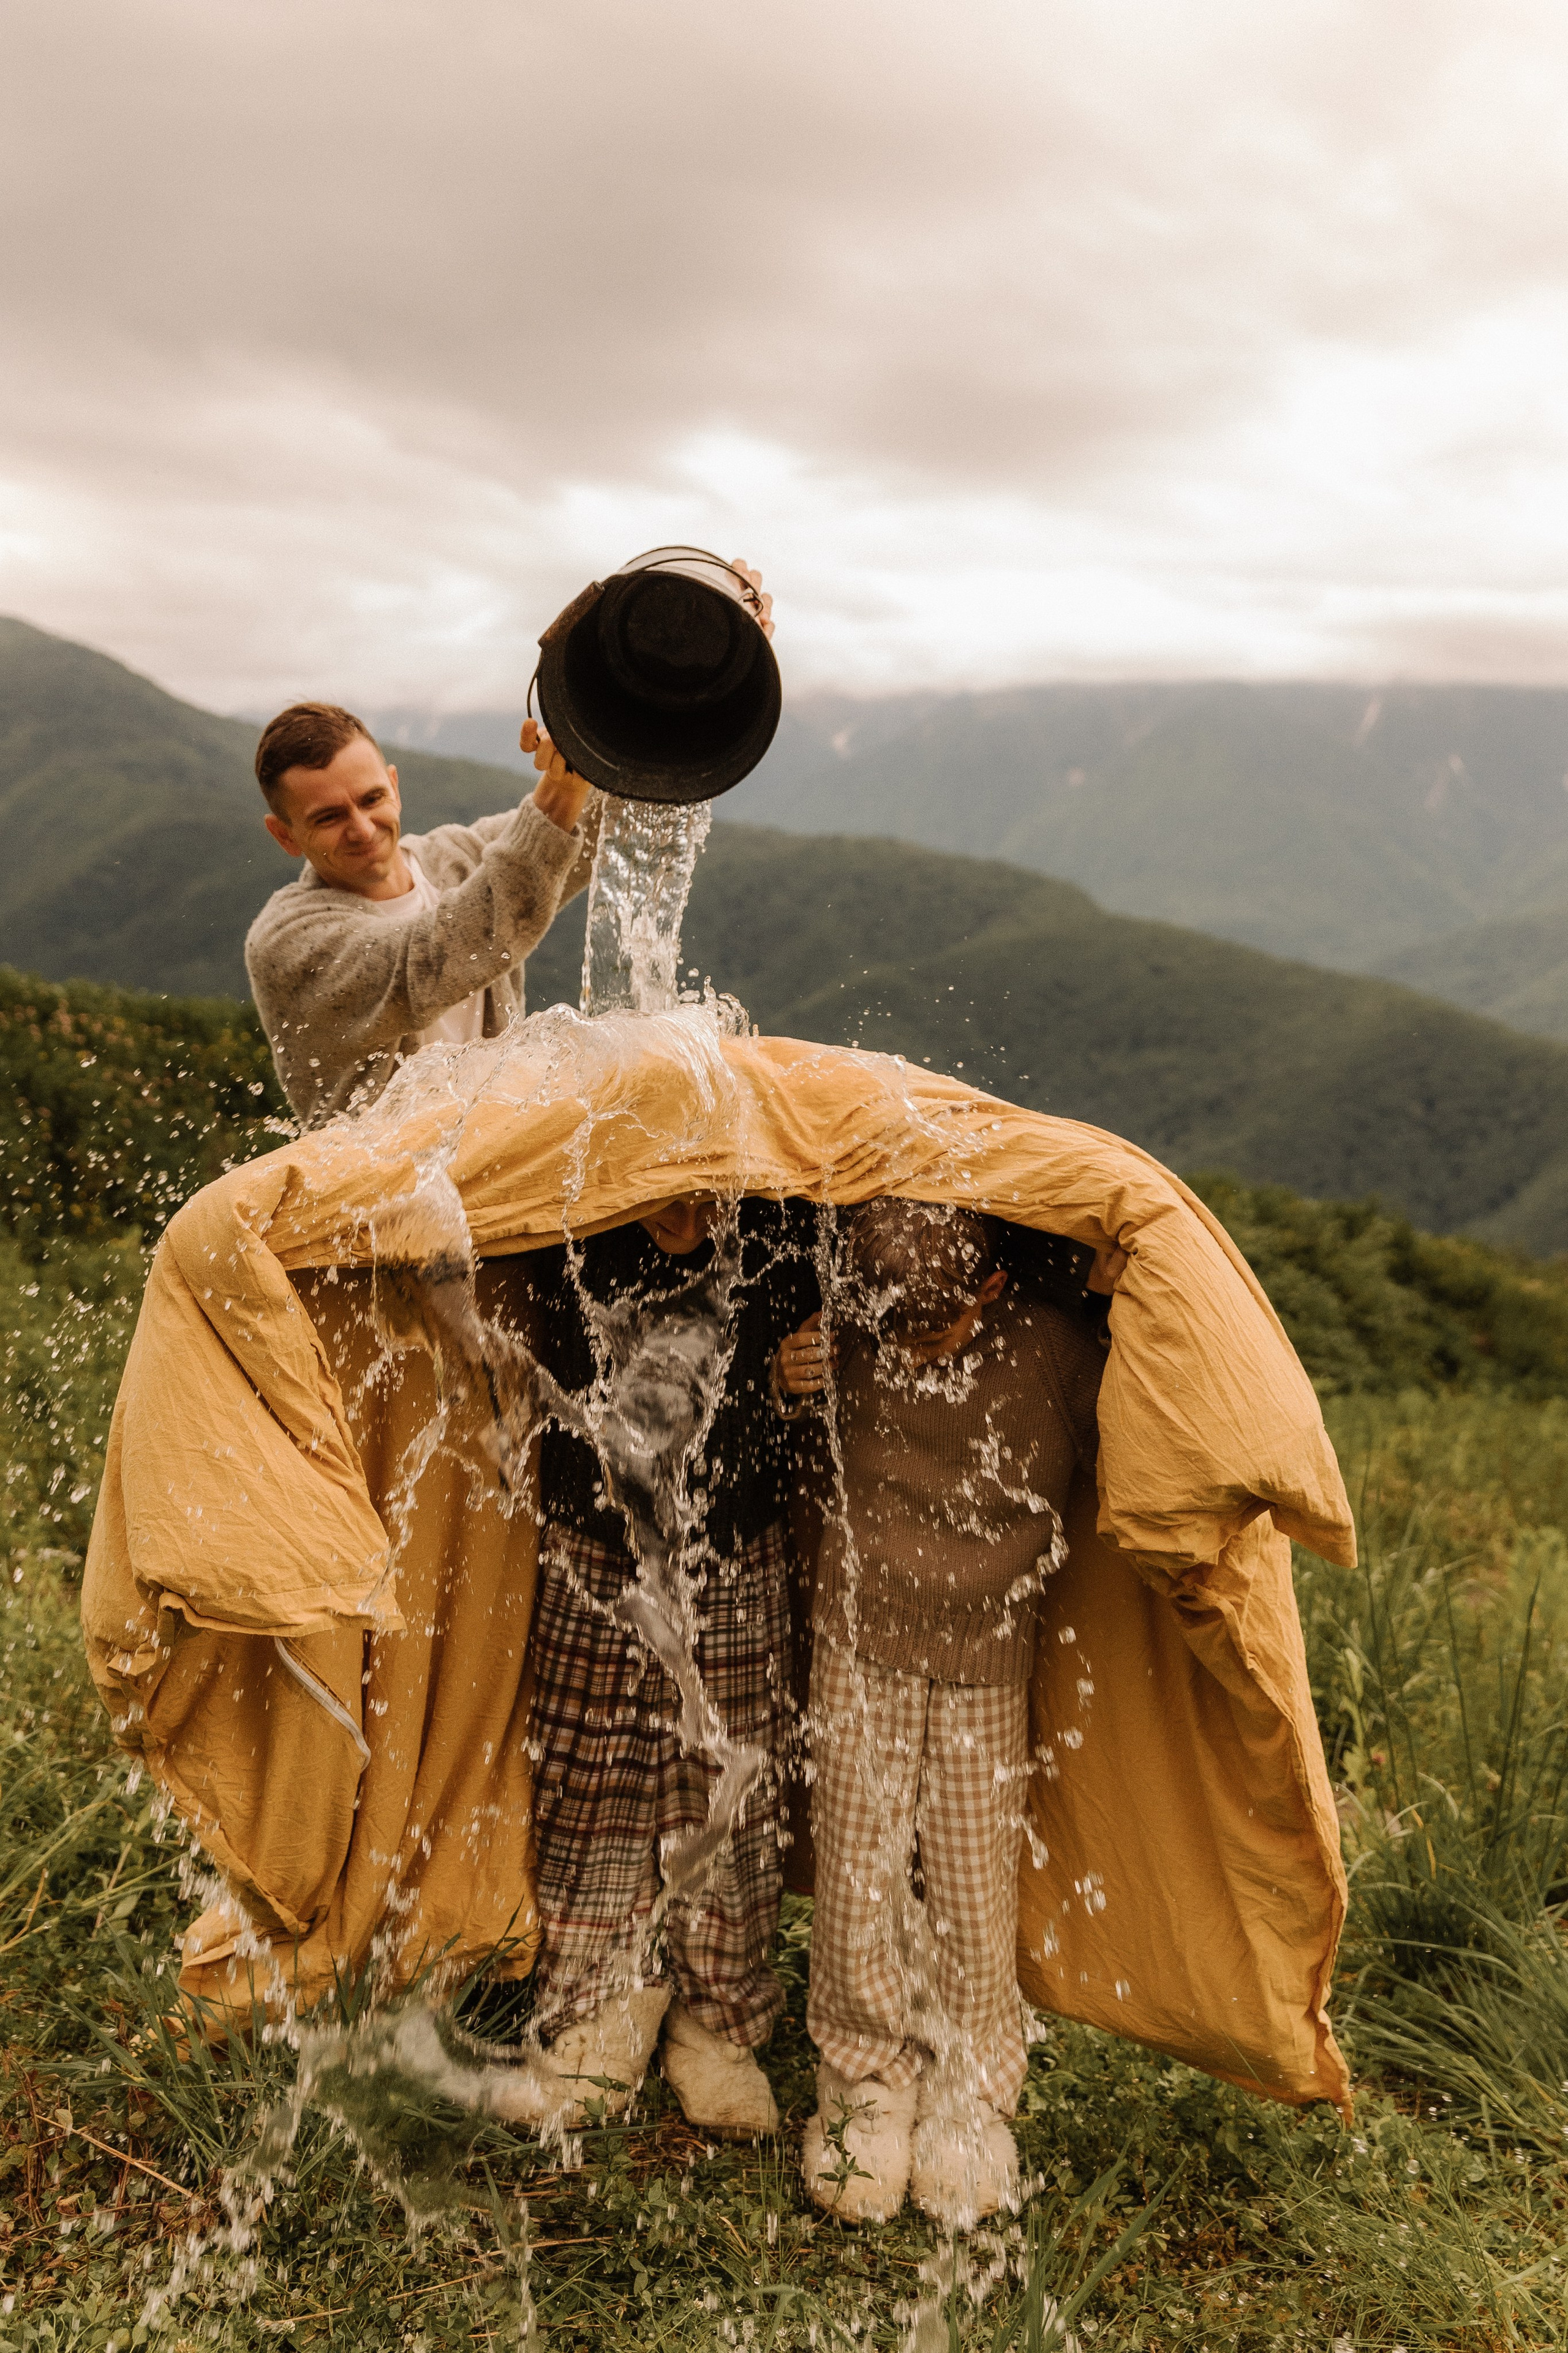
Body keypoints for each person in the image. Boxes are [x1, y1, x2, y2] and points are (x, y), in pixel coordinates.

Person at [777, 1201, 1120, 2229]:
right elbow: (776, 1447)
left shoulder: (1056, 1350)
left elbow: (1162, 1417)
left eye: (939, 1330)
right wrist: (783, 1383)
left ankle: (974, 2093)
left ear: (993, 1288)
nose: (915, 1349)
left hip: (987, 1654)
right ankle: (863, 2081)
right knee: (858, 1869)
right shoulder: (850, 1332)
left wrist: (1119, 1290)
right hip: (857, 1636)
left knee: (973, 1886)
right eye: (897, 1330)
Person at [488, 1193, 818, 2139]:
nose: (684, 1213)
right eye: (663, 1193)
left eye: (704, 1193)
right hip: (594, 1545)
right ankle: (598, 2005)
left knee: (731, 1784)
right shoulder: (571, 1220)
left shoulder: (784, 1231)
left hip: (735, 1542)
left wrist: (794, 1376)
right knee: (590, 1781)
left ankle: (716, 2020)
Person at [243, 703, 600, 1127]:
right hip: (385, 1187)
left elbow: (600, 823)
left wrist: (590, 747)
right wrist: (562, 791)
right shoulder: (286, 941)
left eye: (371, 798)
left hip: (505, 1150)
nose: (361, 828)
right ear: (285, 834)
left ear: (394, 787)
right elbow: (440, 954)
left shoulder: (453, 857)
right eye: (329, 817)